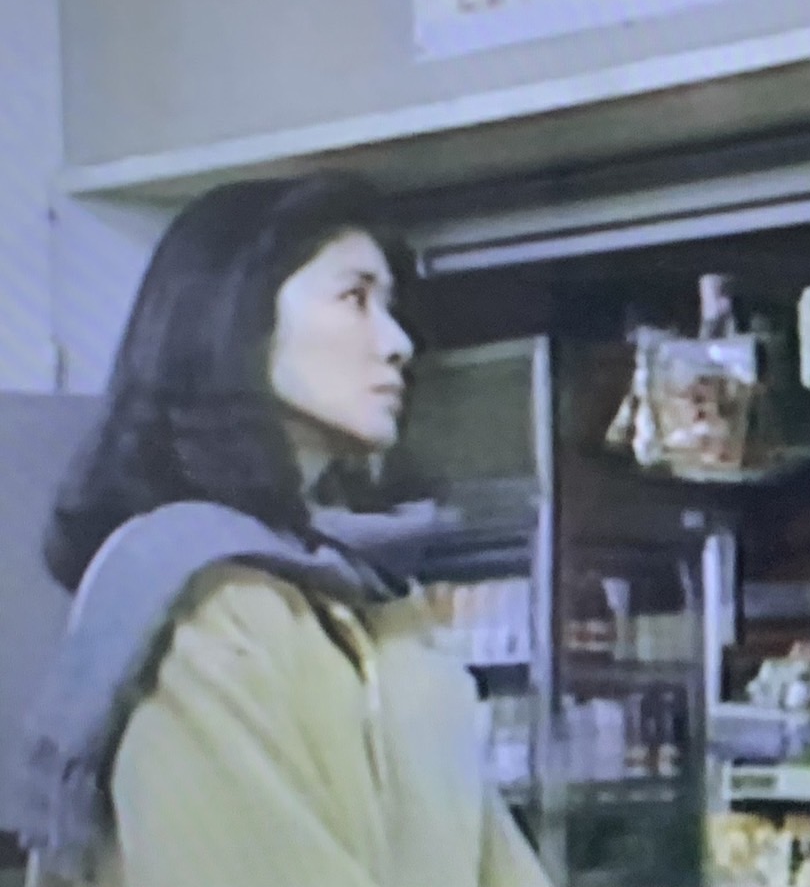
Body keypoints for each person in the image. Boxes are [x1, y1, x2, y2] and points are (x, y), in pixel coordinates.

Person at [11, 173, 553, 887]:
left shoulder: (370, 602)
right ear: (239, 319)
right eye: (354, 298)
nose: (397, 343)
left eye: (390, 308)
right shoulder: (202, 601)